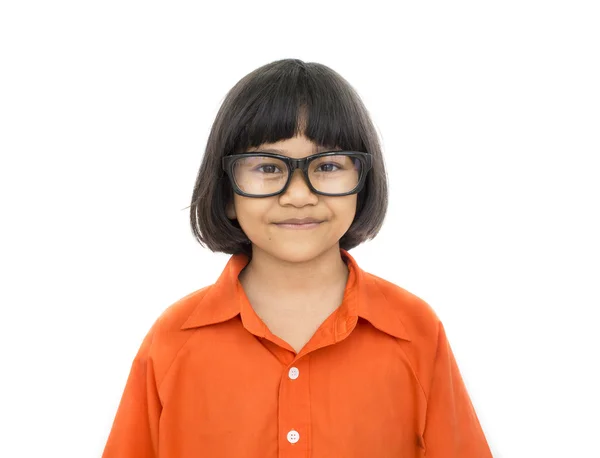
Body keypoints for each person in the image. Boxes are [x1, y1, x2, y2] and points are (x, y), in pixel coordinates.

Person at [101, 58, 492, 457]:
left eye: (327, 165)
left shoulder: (415, 332)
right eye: (269, 167)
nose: (299, 195)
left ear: (363, 181)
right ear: (227, 192)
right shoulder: (173, 340)